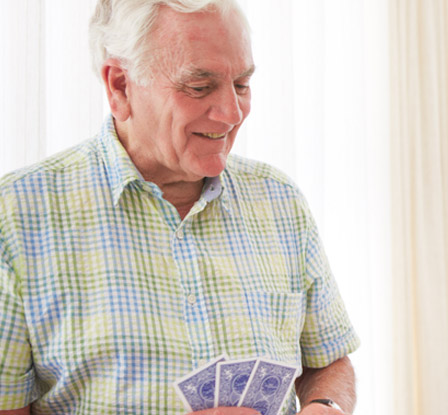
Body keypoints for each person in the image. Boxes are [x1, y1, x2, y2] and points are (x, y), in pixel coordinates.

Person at [0, 1, 358, 414]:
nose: (231, 113)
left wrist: (325, 406)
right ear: (120, 86)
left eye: (241, 84)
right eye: (199, 86)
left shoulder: (279, 199)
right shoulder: (17, 216)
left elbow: (328, 359)